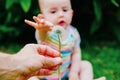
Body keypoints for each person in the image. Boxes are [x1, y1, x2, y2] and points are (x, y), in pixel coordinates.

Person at [25, 0, 106, 80]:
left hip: (66, 70)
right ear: (42, 17)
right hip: (45, 72)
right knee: (30, 75)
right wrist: (41, 29)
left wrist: (74, 72)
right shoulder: (45, 32)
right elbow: (41, 36)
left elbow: (76, 53)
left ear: (71, 13)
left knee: (86, 65)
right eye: (53, 12)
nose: (61, 15)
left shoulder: (73, 33)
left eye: (65, 10)